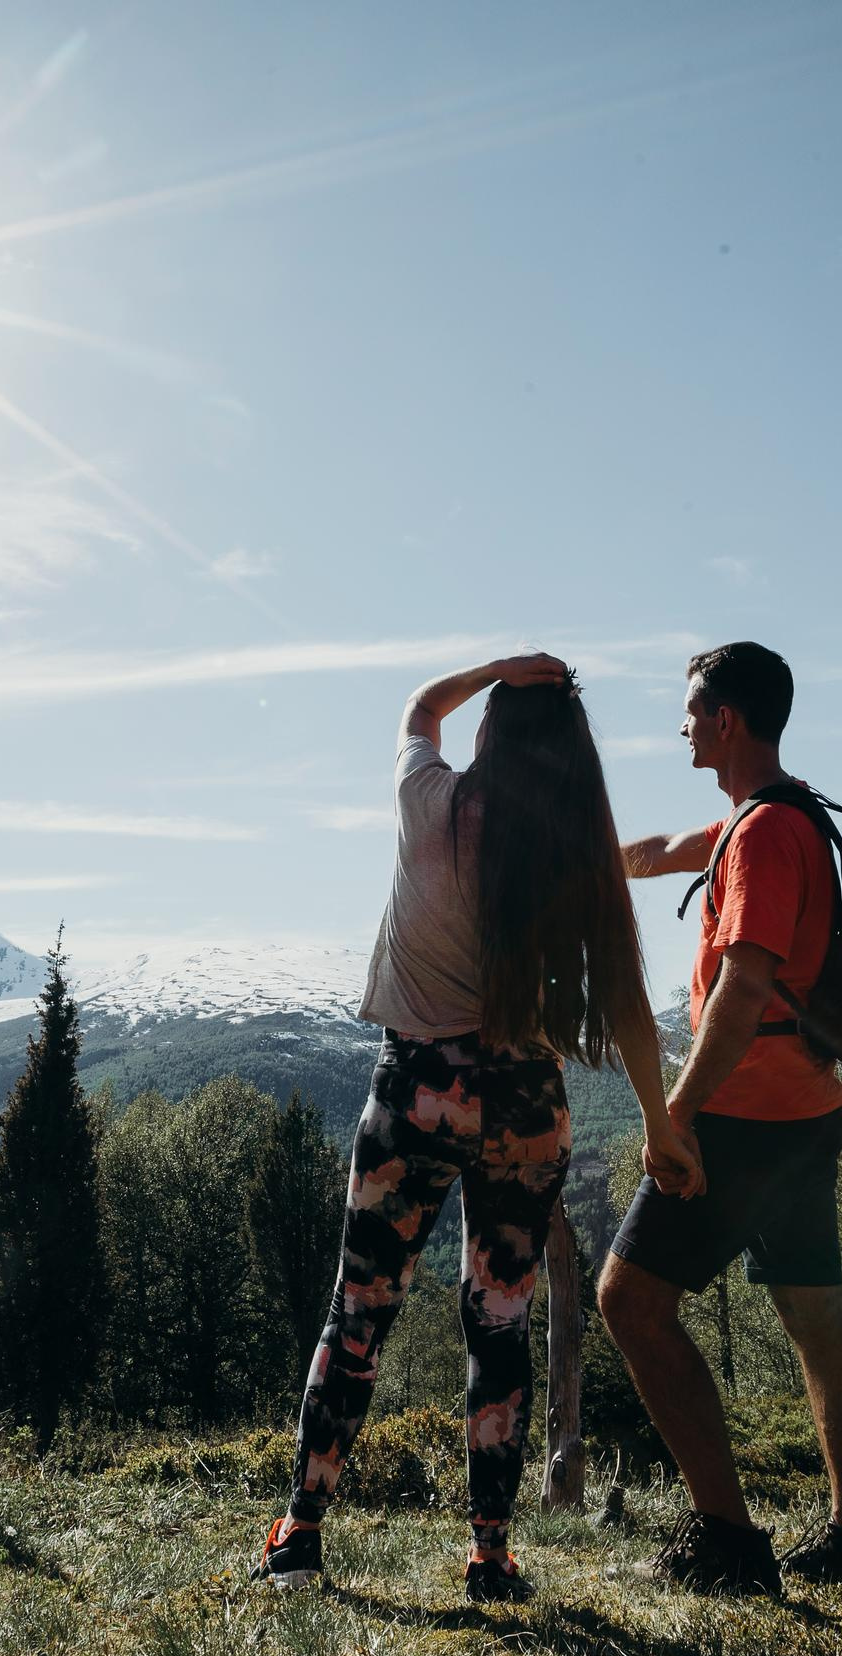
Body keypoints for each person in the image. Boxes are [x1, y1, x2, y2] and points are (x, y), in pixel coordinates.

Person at [254, 650, 692, 1604]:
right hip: (526, 1103)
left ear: (492, 734)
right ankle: (490, 1553)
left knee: (360, 1310)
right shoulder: (575, 853)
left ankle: (301, 1527)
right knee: (500, 1323)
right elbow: (623, 1003)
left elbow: (417, 706)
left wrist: (500, 665)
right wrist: (659, 1126)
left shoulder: (433, 804)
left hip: (418, 1088)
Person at [599, 641, 842, 1597]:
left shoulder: (767, 836)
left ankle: (727, 1542)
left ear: (725, 719)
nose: (681, 727)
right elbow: (655, 855)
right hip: (808, 1112)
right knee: (817, 1316)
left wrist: (674, 1116)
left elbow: (742, 988)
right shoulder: (768, 817)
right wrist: (569, 866)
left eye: (691, 712)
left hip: (742, 1116)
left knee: (630, 1302)